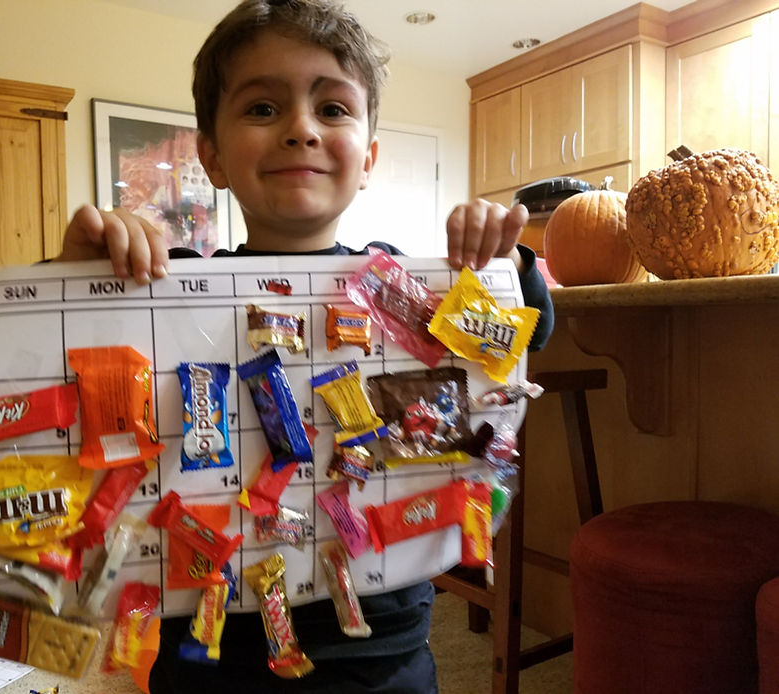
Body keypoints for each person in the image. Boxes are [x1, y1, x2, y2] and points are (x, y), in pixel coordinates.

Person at [56, 1, 554, 691]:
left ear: (369, 156)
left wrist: (507, 263)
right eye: (262, 109)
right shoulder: (167, 281)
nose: (299, 129)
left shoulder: (399, 284)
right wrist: (79, 277)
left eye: (332, 110)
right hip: (206, 642)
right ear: (212, 156)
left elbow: (527, 331)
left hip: (383, 642)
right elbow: (63, 378)